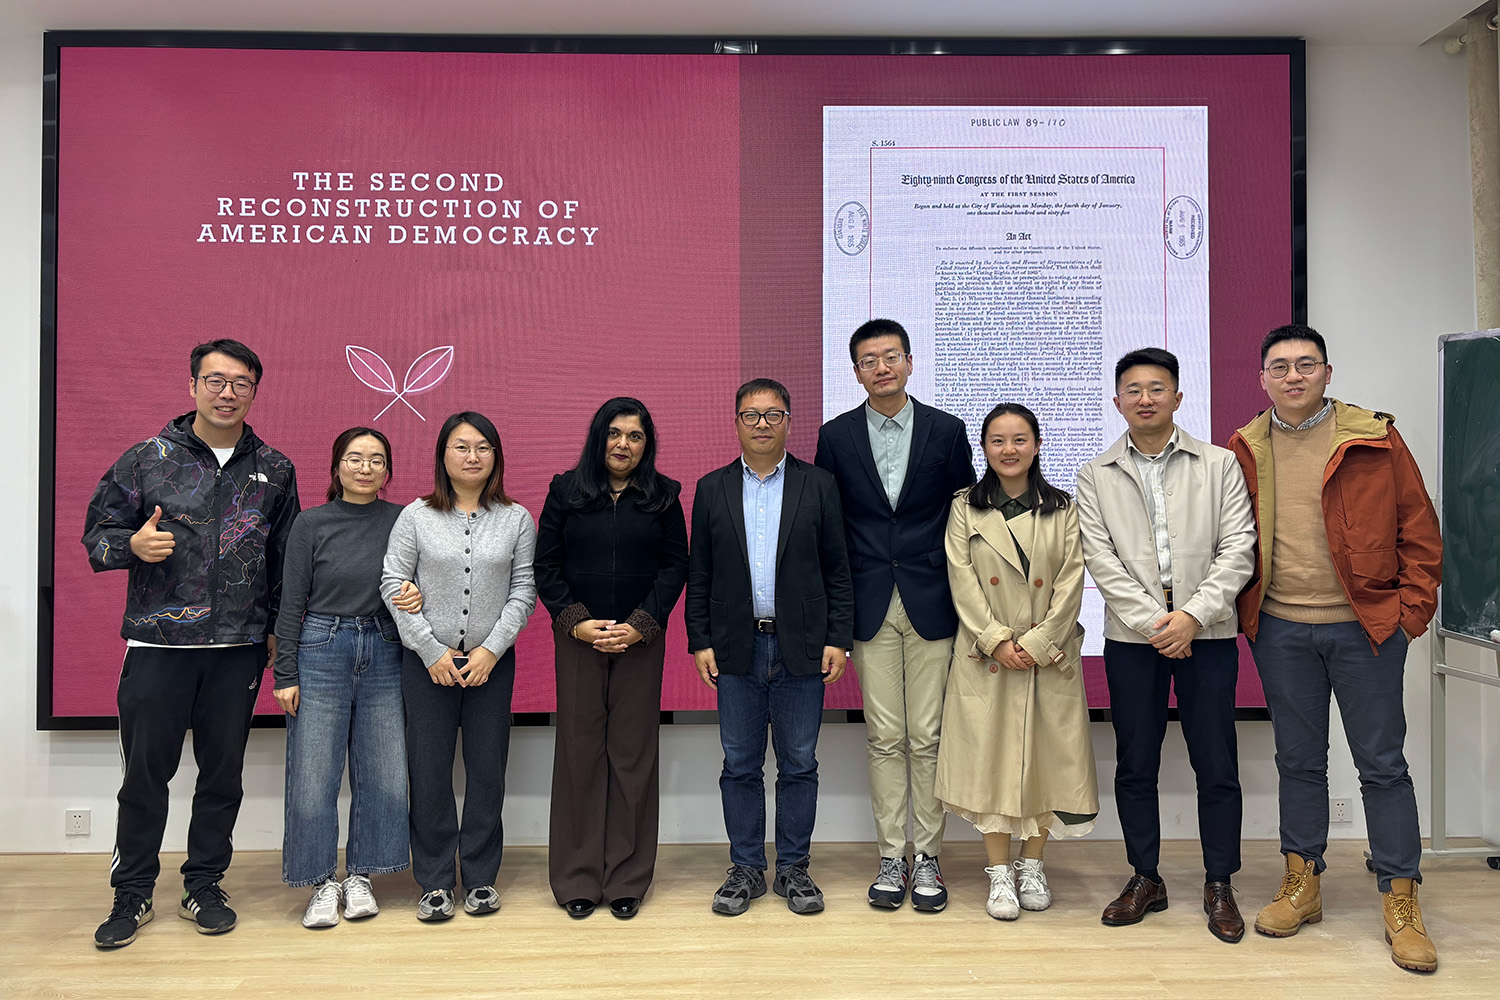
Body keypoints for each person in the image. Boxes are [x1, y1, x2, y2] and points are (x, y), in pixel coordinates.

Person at [1229, 324, 1443, 972]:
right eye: (1280, 366)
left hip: (1366, 628)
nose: (1293, 376)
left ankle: (1401, 899)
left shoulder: (1374, 437)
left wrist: (1410, 614)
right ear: (1262, 377)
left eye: (1305, 364)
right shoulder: (1245, 447)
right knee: (1298, 762)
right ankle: (1303, 884)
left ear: (1327, 372)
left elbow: (1420, 530)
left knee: (1382, 764)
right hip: (1282, 629)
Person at [84, 339, 300, 949]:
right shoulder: (147, 459)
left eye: (240, 383)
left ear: (255, 391)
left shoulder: (275, 469)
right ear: (192, 386)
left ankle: (204, 883)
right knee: (146, 777)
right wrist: (130, 547)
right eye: (215, 380)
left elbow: (287, 566)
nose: (227, 392)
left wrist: (281, 643)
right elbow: (98, 533)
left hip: (238, 649)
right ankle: (132, 892)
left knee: (222, 775)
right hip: (158, 646)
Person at [1075, 347, 1255, 944]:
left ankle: (1219, 881)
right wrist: (1159, 622)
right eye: (1133, 389)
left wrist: (1193, 618)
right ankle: (1144, 877)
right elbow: (1100, 560)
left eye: (1157, 388)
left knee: (1217, 763)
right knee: (1135, 763)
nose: (1145, 398)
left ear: (1178, 397)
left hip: (1210, 636)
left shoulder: (1219, 464)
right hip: (1133, 640)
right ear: (1119, 400)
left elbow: (1239, 549)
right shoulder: (1095, 473)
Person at [815, 318, 975, 911]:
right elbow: (829, 531)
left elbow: (966, 517)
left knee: (928, 735)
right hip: (867, 604)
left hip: (934, 602)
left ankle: (929, 857)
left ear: (910, 362)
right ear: (855, 371)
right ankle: (891, 854)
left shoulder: (946, 430)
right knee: (884, 737)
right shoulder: (835, 437)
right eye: (868, 360)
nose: (881, 368)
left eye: (891, 357)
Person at [685, 378, 854, 916]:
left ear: (789, 421)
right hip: (735, 647)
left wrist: (839, 638)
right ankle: (745, 869)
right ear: (735, 421)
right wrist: (699, 641)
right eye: (751, 414)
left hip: (802, 646)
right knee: (740, 763)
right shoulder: (711, 488)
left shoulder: (820, 484)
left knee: (799, 762)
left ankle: (794, 870)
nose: (762, 423)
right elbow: (700, 574)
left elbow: (838, 571)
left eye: (773, 413)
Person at [936, 403, 1098, 920]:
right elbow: (960, 577)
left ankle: (1033, 864)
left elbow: (1072, 580)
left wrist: (1039, 641)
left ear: (1037, 444)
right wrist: (997, 640)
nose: (1009, 450)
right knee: (991, 761)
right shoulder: (966, 506)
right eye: (998, 441)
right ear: (983, 449)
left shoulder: (1063, 507)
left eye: (1020, 439)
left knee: (1048, 760)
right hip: (990, 656)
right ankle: (999, 873)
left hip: (1047, 656)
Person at [535, 398, 689, 920]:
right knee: (579, 754)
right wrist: (576, 620)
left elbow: (675, 567)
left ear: (648, 444)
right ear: (598, 437)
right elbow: (546, 565)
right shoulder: (565, 490)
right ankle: (577, 877)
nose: (624, 444)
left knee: (632, 756)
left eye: (636, 436)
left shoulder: (664, 496)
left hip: (640, 640)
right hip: (578, 638)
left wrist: (642, 623)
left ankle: (627, 878)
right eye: (615, 433)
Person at [381, 411, 537, 921]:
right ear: (442, 456)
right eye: (461, 447)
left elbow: (523, 591)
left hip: (492, 665)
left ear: (496, 456)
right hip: (428, 665)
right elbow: (392, 584)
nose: (472, 457)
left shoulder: (516, 518)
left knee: (487, 771)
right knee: (428, 772)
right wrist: (432, 651)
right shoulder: (416, 516)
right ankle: (432, 880)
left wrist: (492, 650)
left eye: (483, 448)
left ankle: (480, 878)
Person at [271, 427, 424, 928]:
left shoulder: (405, 519)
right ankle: (319, 882)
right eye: (355, 458)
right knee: (314, 775)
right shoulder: (311, 524)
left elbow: (418, 582)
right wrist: (286, 672)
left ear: (388, 470)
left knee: (384, 771)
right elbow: (290, 602)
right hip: (320, 646)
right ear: (336, 466)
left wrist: (415, 597)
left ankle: (362, 876)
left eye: (377, 459)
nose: (366, 467)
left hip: (385, 647)